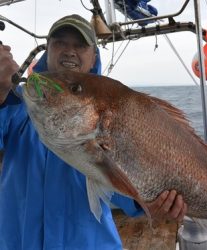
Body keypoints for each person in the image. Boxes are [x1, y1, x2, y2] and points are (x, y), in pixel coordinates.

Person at [0, 14, 187, 249]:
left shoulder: (113, 112)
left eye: (79, 45)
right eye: (60, 43)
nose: (69, 51)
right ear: (47, 50)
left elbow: (122, 191)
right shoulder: (16, 102)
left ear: (94, 57)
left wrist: (148, 203)